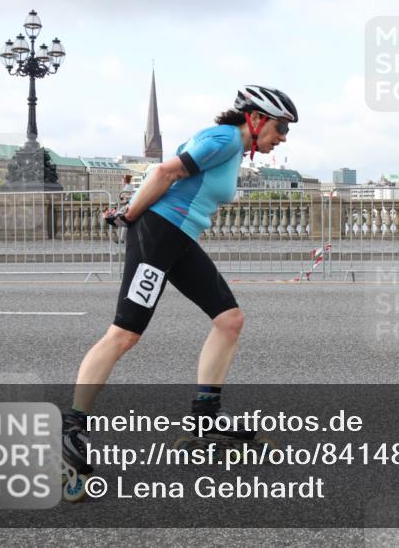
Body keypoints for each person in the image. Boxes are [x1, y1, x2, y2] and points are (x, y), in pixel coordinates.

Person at [61, 85, 297, 490]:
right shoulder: (224, 139)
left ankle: (206, 416)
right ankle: (71, 429)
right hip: (159, 234)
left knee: (229, 320)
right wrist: (129, 216)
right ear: (256, 119)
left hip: (180, 237)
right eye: (281, 127)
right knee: (124, 334)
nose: (284, 137)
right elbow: (164, 173)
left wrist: (130, 211)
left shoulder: (233, 146)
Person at [115, 174, 135, 243]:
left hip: (127, 205)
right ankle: (120, 238)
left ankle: (121, 238)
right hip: (128, 205)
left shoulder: (127, 187)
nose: (121, 181)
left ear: (125, 180)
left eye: (122, 180)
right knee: (121, 220)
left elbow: (124, 197)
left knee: (121, 220)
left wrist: (122, 197)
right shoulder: (129, 186)